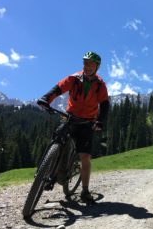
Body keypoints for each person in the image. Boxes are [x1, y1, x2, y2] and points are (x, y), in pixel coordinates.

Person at [37, 51, 109, 205]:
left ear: (97, 66)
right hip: (70, 118)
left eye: (91, 64)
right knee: (57, 141)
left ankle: (85, 190)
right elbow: (58, 88)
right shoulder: (74, 79)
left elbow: (104, 105)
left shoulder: (100, 85)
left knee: (84, 157)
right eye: (85, 63)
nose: (87, 66)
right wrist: (45, 98)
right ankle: (48, 172)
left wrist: (100, 122)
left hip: (87, 123)